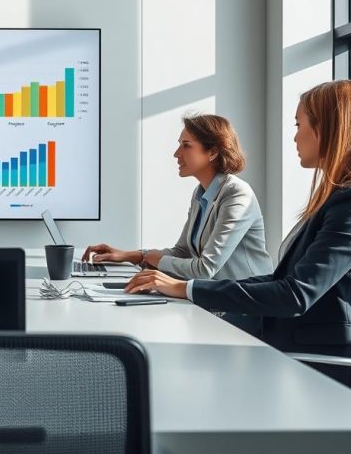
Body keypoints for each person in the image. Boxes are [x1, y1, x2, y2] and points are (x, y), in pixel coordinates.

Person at [126, 80, 351, 399]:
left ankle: (170, 441)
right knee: (165, 332)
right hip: (287, 336)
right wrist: (185, 290)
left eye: (298, 124)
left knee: (161, 354)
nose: (294, 135)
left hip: (310, 359)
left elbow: (294, 295)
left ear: (330, 130)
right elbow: (282, 280)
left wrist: (186, 288)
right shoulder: (344, 198)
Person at [83, 114, 271, 333]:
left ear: (212, 152)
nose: (176, 154)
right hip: (214, 302)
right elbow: (181, 251)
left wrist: (156, 262)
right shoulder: (201, 193)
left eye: (186, 146)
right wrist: (130, 255)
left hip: (244, 309)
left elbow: (205, 269)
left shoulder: (237, 195)